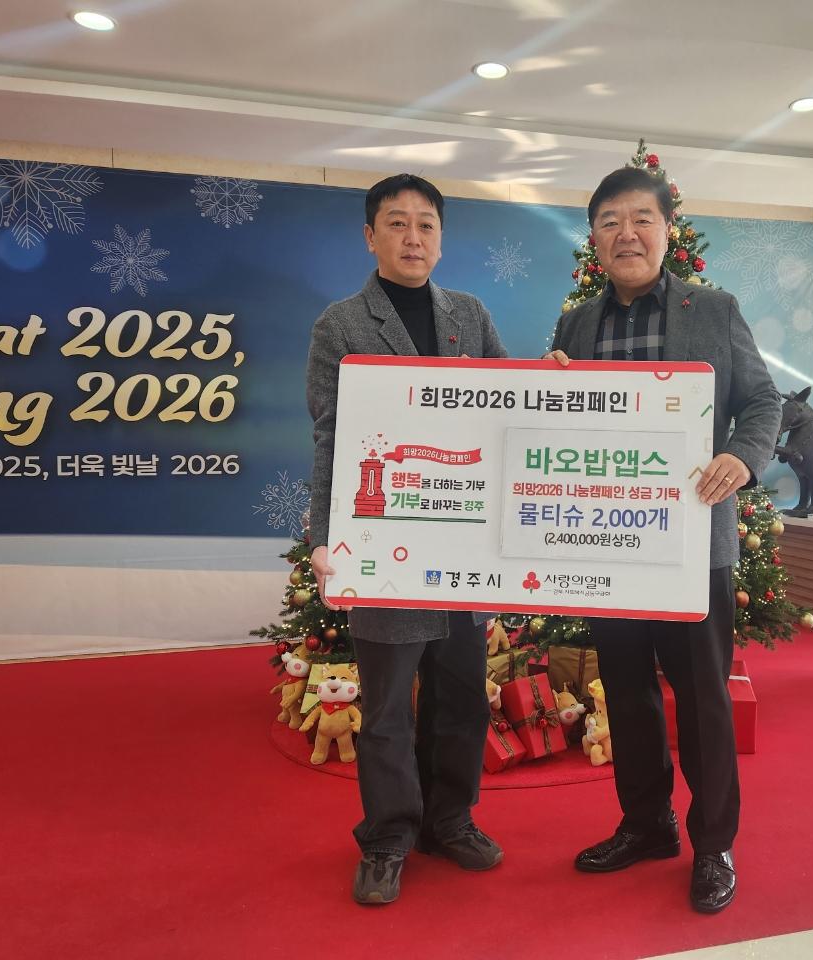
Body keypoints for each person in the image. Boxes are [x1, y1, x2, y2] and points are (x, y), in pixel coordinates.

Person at [544, 166, 782, 913]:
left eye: (641, 219)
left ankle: (714, 844)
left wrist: (742, 458)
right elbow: (557, 422)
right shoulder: (576, 325)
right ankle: (647, 824)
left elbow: (762, 400)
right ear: (593, 238)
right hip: (607, 545)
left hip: (690, 543)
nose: (627, 234)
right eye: (610, 221)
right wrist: (546, 388)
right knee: (626, 690)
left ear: (667, 230)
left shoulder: (713, 309)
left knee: (703, 697)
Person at [306, 174, 509, 906]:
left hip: (464, 544)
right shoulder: (341, 325)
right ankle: (389, 836)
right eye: (397, 223)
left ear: (441, 239)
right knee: (389, 706)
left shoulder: (471, 315)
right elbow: (331, 439)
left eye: (426, 225)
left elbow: (507, 415)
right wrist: (325, 538)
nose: (413, 238)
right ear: (371, 236)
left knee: (463, 699)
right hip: (384, 540)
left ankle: (450, 820)